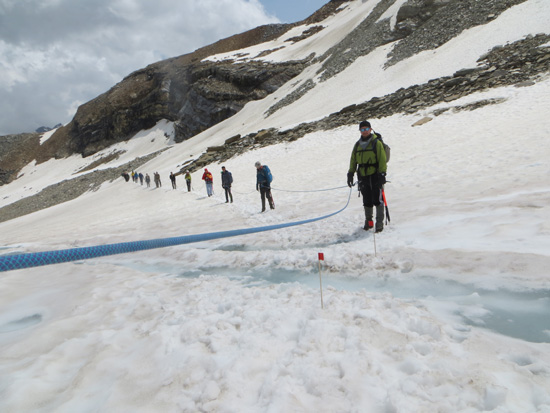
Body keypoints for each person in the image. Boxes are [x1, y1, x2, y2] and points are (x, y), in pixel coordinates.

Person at [347, 120, 387, 232]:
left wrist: (382, 174)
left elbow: (382, 159)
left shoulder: (376, 143)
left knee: (378, 200)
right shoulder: (357, 145)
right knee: (367, 200)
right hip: (363, 176)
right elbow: (353, 160)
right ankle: (369, 222)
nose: (364, 131)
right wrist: (350, 173)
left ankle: (379, 224)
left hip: (375, 175)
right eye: (362, 129)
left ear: (370, 129)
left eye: (366, 129)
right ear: (360, 131)